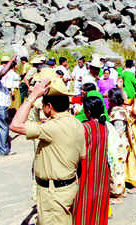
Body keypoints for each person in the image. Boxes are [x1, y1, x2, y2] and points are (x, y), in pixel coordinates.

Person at [10, 78, 85, 225]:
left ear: (48, 106)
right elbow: (83, 155)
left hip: (53, 192)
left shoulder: (52, 127)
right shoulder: (76, 123)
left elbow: (15, 125)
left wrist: (32, 97)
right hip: (67, 187)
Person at [73, 96, 110, 225]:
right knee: (99, 203)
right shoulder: (104, 126)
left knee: (83, 202)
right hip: (101, 170)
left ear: (88, 111)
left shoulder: (84, 128)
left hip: (86, 169)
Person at [107, 87, 131, 204]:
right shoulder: (121, 109)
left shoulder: (117, 113)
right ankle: (121, 190)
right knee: (120, 168)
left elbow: (118, 131)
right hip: (123, 143)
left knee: (116, 169)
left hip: (118, 144)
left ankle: (116, 194)